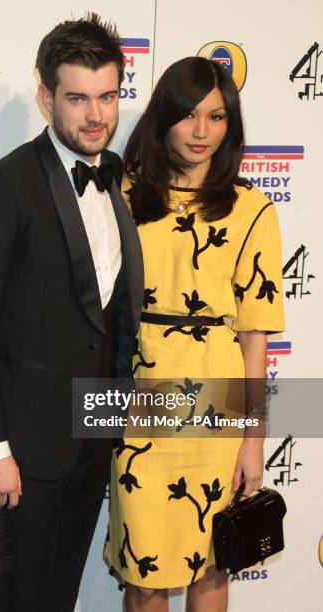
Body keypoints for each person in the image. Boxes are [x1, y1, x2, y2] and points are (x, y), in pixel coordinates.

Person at [0, 13, 143, 612]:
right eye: (78, 98)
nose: (96, 115)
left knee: (60, 596)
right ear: (46, 97)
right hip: (27, 449)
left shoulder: (115, 183)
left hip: (94, 434)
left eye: (108, 96)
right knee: (26, 598)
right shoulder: (4, 188)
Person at [104, 56, 284, 612]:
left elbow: (256, 335)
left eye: (218, 116)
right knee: (144, 575)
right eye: (188, 115)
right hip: (140, 400)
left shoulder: (253, 210)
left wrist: (253, 439)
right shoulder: (122, 194)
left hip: (217, 406)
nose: (202, 131)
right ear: (164, 117)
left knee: (212, 566)